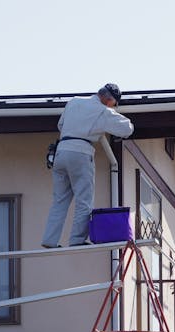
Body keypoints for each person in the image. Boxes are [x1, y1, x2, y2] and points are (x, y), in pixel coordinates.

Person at [41, 83, 134, 248]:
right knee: (84, 199)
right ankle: (76, 239)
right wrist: (103, 124)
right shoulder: (102, 111)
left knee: (59, 200)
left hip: (61, 151)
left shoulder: (74, 101)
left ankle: (49, 240)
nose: (114, 107)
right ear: (108, 99)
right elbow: (127, 128)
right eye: (114, 104)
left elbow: (61, 125)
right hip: (81, 152)